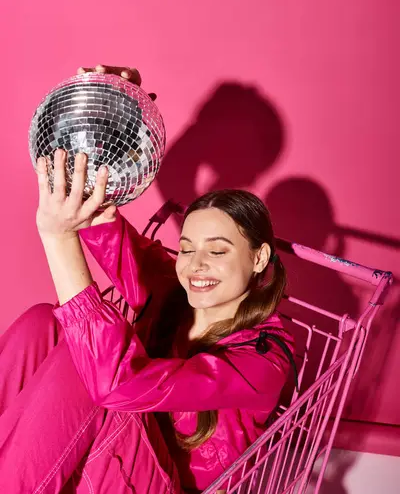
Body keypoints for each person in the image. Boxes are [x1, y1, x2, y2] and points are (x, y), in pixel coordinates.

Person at [0, 66, 294, 493]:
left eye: (217, 250)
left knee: (89, 361)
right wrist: (112, 111)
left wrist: (57, 238)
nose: (195, 265)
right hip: (108, 455)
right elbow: (102, 221)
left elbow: (113, 380)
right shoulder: (172, 290)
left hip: (157, 484)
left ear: (259, 256)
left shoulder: (263, 359)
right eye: (188, 248)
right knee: (43, 321)